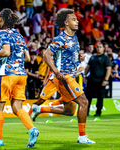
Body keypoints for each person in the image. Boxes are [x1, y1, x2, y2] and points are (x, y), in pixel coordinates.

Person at [31, 8, 95, 144]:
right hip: (64, 77)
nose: (77, 22)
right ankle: (82, 137)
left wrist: (79, 57)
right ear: (66, 23)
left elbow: (69, 55)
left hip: (71, 75)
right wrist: (56, 71)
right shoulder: (60, 38)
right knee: (84, 102)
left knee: (69, 110)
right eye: (74, 19)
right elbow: (46, 55)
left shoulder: (74, 37)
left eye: (77, 19)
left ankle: (39, 108)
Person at [0, 8, 39, 147]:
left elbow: (6, 52)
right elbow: (26, 57)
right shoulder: (19, 35)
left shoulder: (2, 33)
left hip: (6, 74)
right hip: (21, 75)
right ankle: (32, 129)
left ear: (1, 20)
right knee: (17, 107)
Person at [85, 42, 111, 116]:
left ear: (103, 48)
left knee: (100, 97)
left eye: (100, 47)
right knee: (88, 97)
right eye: (98, 47)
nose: (99, 48)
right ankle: (86, 112)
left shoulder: (106, 58)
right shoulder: (92, 57)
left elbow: (108, 69)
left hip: (101, 80)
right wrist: (84, 75)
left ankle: (98, 112)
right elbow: (88, 67)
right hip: (91, 80)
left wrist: (106, 80)